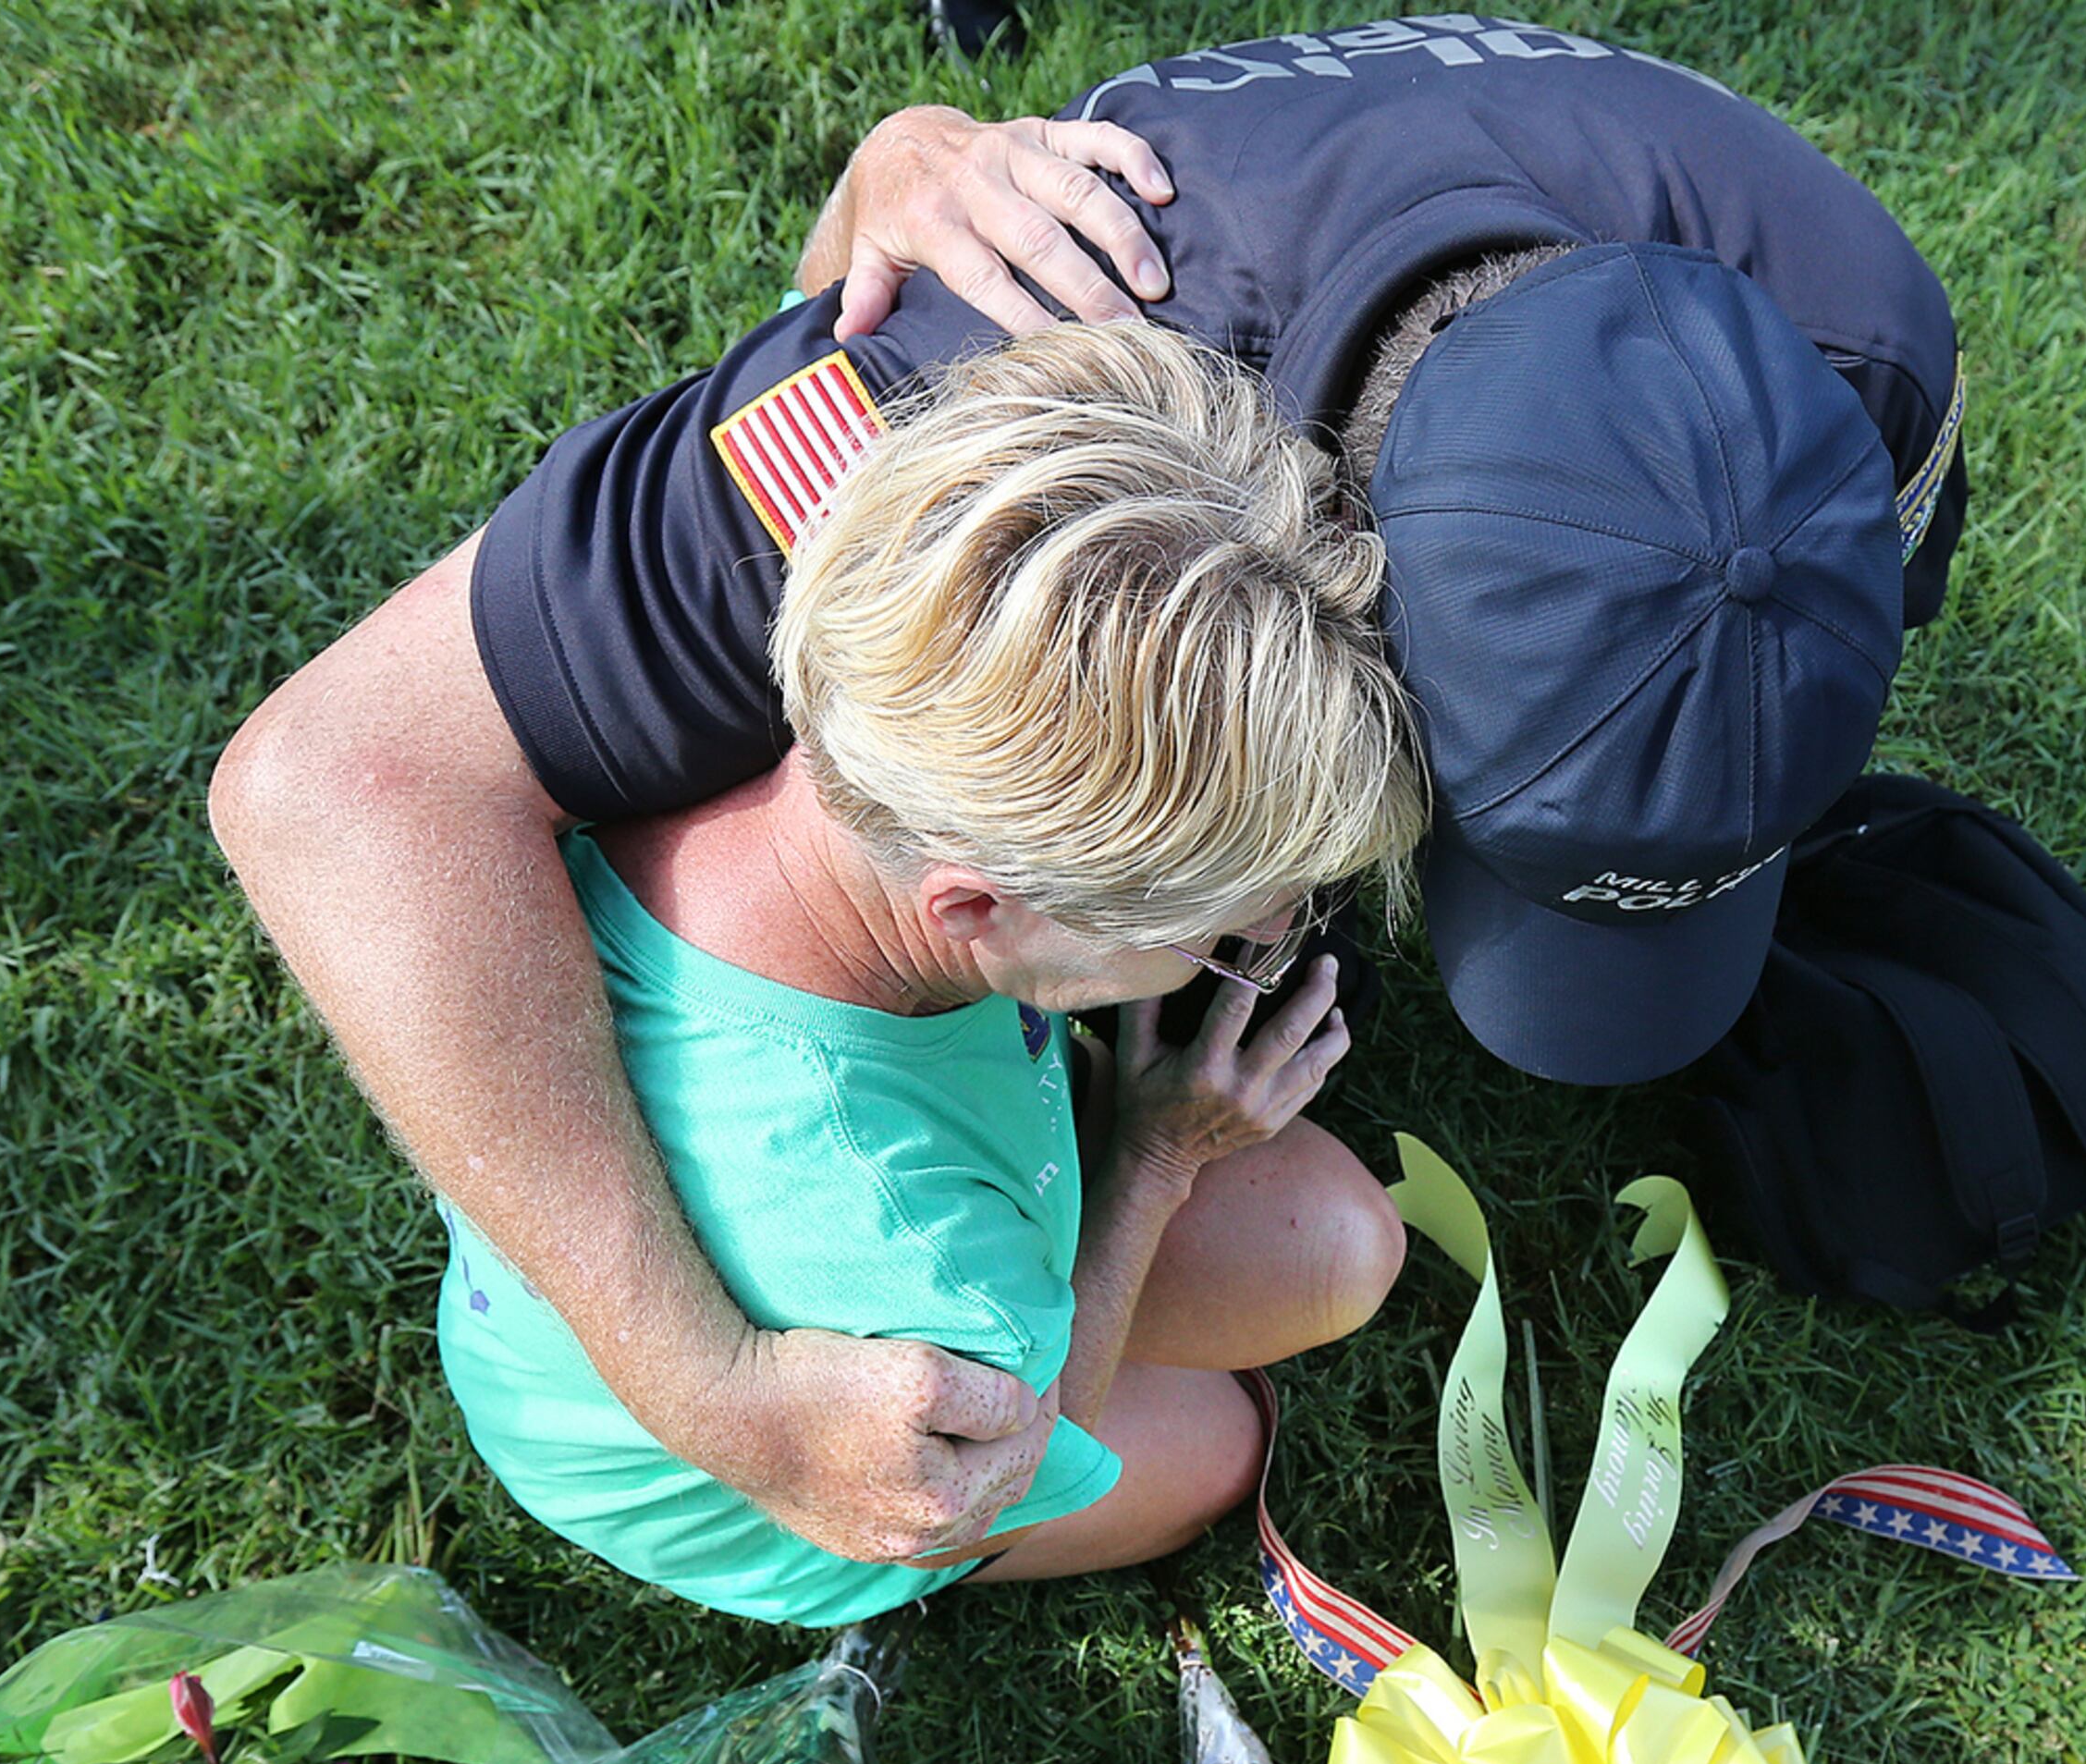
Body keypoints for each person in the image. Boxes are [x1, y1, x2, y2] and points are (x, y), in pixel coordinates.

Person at [209, 18, 1960, 1573]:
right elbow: (333, 785)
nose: (1292, 935)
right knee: (1253, 1351)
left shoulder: (1859, 356)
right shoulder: (950, 415)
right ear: (1311, 576)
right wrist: (716, 1394)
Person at [436, 323, 1417, 1623]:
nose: (1254, 947)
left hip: (550, 1331)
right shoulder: (908, 1248)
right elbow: (999, 1454)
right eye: (1211, 931)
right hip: (749, 1488)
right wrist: (1159, 1157)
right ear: (976, 906)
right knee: (1222, 1441)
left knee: (1314, 1240)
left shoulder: (860, 678)